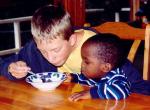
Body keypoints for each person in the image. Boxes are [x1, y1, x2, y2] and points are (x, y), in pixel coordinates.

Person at [0, 5, 149, 95]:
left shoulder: (101, 52)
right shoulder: (37, 47)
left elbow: (139, 88)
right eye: (43, 51)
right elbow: (6, 64)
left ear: (71, 40)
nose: (49, 58)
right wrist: (11, 69)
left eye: (55, 50)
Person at [66, 33, 130, 101]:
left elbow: (120, 91)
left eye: (87, 62)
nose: (82, 64)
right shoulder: (92, 75)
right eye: (82, 60)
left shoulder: (116, 77)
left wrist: (91, 93)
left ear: (105, 67)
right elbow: (82, 79)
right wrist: (73, 78)